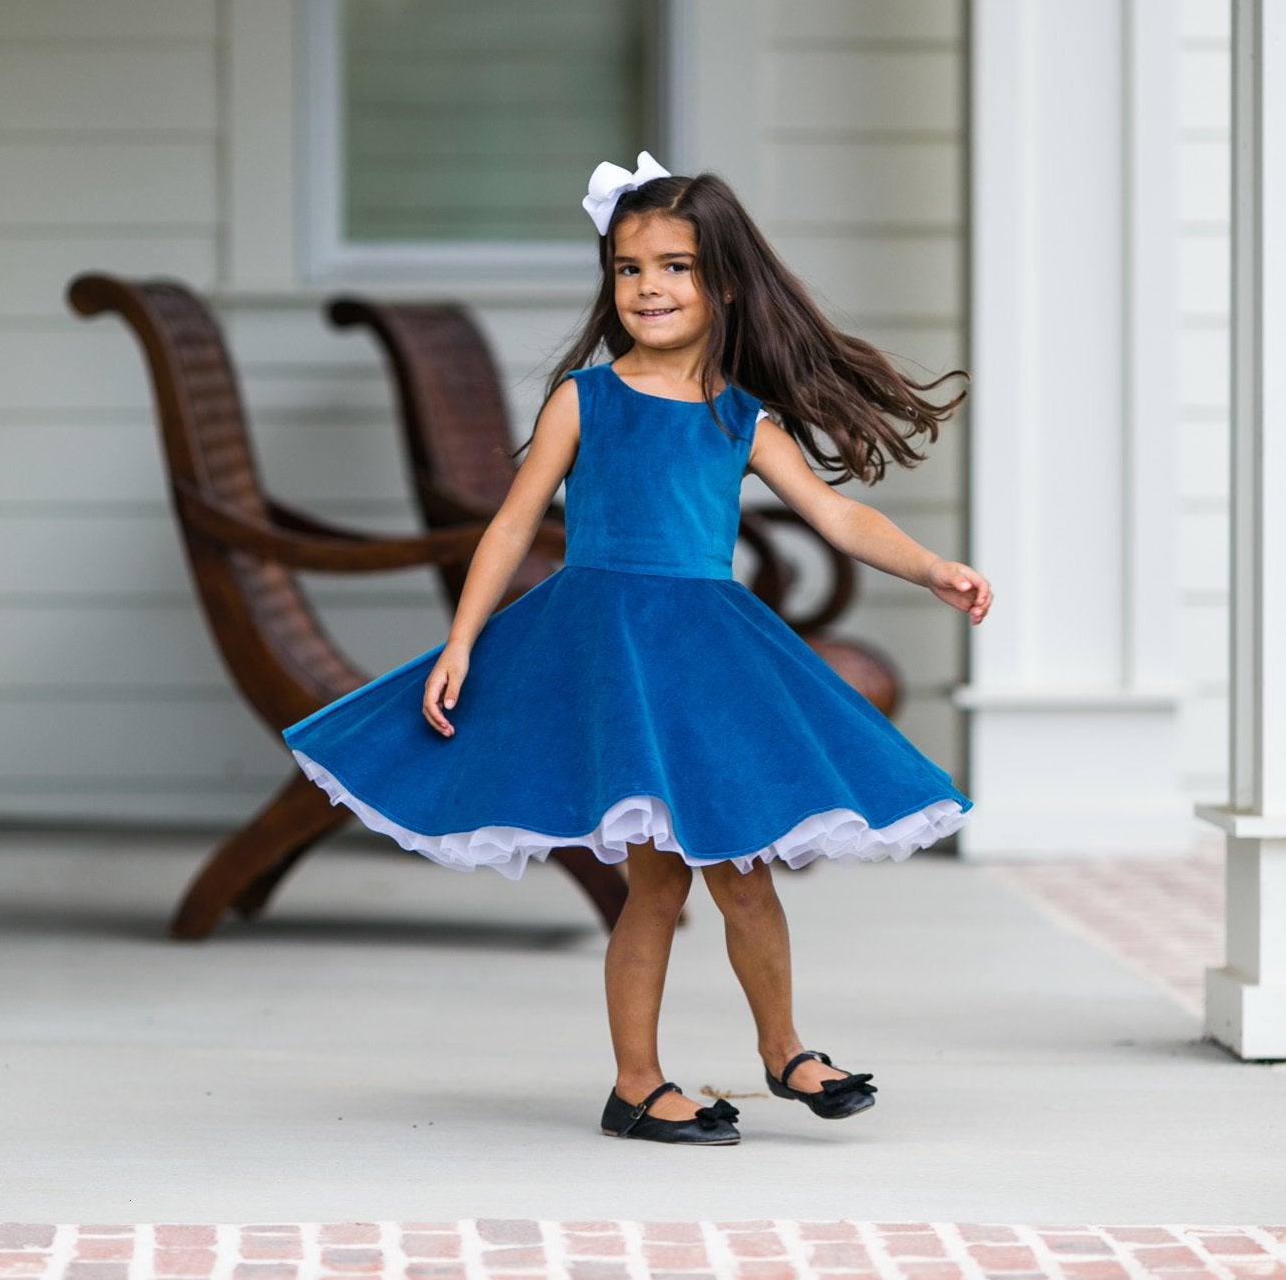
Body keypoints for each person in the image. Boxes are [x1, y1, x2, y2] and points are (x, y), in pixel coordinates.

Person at [285, 156, 992, 1147]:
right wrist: (460, 639)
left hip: (705, 664)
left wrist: (930, 567)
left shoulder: (741, 416)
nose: (648, 287)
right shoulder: (586, 399)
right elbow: (508, 525)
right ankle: (637, 1081)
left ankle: (785, 1049)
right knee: (655, 882)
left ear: (726, 284)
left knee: (742, 870)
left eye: (674, 266)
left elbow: (835, 514)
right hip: (610, 652)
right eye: (627, 268)